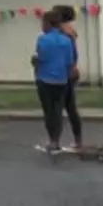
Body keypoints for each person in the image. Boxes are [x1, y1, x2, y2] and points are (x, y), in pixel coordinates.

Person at [33, 10, 76, 153]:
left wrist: (35, 66)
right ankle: (56, 140)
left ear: (48, 24)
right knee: (58, 111)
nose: (41, 26)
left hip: (45, 79)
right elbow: (69, 62)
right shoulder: (66, 40)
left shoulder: (42, 40)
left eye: (43, 23)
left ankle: (51, 139)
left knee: (48, 111)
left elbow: (40, 59)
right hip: (61, 80)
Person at [53, 5, 84, 150]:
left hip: (63, 73)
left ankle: (56, 140)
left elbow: (70, 54)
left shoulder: (62, 32)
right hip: (69, 72)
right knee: (70, 107)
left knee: (58, 108)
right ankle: (78, 140)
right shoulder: (69, 31)